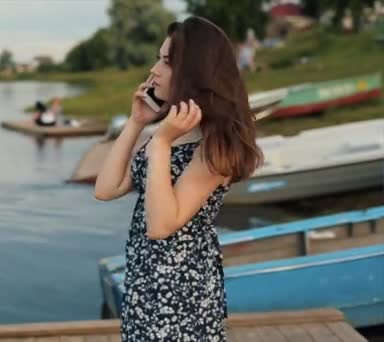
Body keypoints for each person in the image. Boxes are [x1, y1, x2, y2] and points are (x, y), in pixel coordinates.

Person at [94, 17, 263, 341]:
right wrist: (136, 122)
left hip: (183, 295)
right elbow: (106, 188)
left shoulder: (216, 145)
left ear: (194, 71)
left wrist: (160, 142)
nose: (154, 69)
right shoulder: (175, 132)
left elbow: (161, 225)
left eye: (167, 61)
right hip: (146, 285)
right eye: (159, 58)